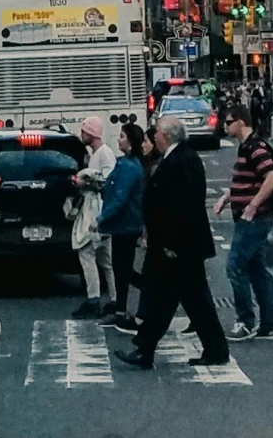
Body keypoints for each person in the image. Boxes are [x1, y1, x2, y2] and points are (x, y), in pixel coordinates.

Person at [116, 119, 230, 371]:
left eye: (156, 132)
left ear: (166, 136)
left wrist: (171, 243)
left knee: (186, 299)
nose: (153, 136)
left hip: (179, 246)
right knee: (170, 299)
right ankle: (147, 348)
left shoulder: (182, 161)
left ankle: (150, 349)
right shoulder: (177, 158)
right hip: (176, 244)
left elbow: (182, 207)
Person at [214, 102, 273, 344]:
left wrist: (251, 207)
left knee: (235, 267)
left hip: (253, 219)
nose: (225, 125)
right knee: (256, 271)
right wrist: (227, 197)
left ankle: (245, 321)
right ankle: (269, 324)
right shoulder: (246, 147)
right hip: (250, 217)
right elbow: (249, 180)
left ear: (241, 121)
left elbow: (271, 179)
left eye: (229, 121)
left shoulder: (255, 147)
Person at [100, 122, 147, 329]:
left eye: (121, 136)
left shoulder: (130, 167)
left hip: (127, 224)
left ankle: (154, 290)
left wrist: (101, 218)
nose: (118, 139)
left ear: (130, 141)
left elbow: (121, 197)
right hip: (122, 224)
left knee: (123, 269)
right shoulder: (125, 163)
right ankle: (120, 310)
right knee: (121, 269)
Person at [70, 116, 118, 318]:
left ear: (91, 133)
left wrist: (85, 183)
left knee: (86, 253)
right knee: (105, 259)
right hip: (100, 210)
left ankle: (94, 300)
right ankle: (115, 299)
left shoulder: (104, 155)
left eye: (84, 131)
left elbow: (107, 182)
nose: (82, 135)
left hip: (96, 210)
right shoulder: (97, 154)